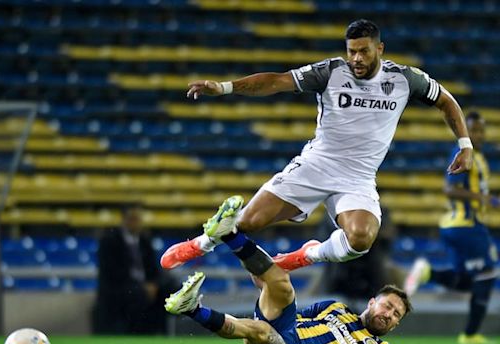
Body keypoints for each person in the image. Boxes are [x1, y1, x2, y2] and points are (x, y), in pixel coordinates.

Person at [160, 19, 472, 272]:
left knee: (360, 240)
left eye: (363, 51)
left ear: (380, 48)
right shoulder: (331, 71)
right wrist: (225, 87)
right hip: (317, 165)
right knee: (248, 223)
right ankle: (199, 244)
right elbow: (277, 81)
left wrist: (465, 144)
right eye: (351, 51)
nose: (356, 59)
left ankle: (307, 255)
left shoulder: (406, 79)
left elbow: (446, 101)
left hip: (358, 178)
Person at [163, 205, 470, 344]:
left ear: (397, 324)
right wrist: (268, 285)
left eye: (395, 314)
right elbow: (294, 314)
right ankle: (230, 235)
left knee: (261, 332)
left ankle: (191, 309)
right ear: (372, 302)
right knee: (281, 283)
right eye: (387, 306)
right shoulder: (335, 308)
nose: (389, 314)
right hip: (287, 330)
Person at [404, 111, 498, 344]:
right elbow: (450, 189)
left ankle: (428, 273)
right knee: (487, 274)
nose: (478, 134)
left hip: (457, 226)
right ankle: (470, 334)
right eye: (473, 129)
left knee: (466, 280)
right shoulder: (464, 154)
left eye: (481, 129)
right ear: (464, 131)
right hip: (467, 227)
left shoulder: (479, 158)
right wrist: (483, 199)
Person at [93, 204, 178, 334]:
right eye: (132, 218)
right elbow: (112, 273)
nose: (135, 222)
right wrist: (142, 286)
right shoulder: (110, 241)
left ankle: (163, 333)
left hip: (144, 286)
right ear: (124, 220)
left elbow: (153, 269)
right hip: (120, 287)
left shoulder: (144, 240)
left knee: (170, 289)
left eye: (137, 219)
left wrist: (154, 284)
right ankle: (137, 332)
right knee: (136, 294)